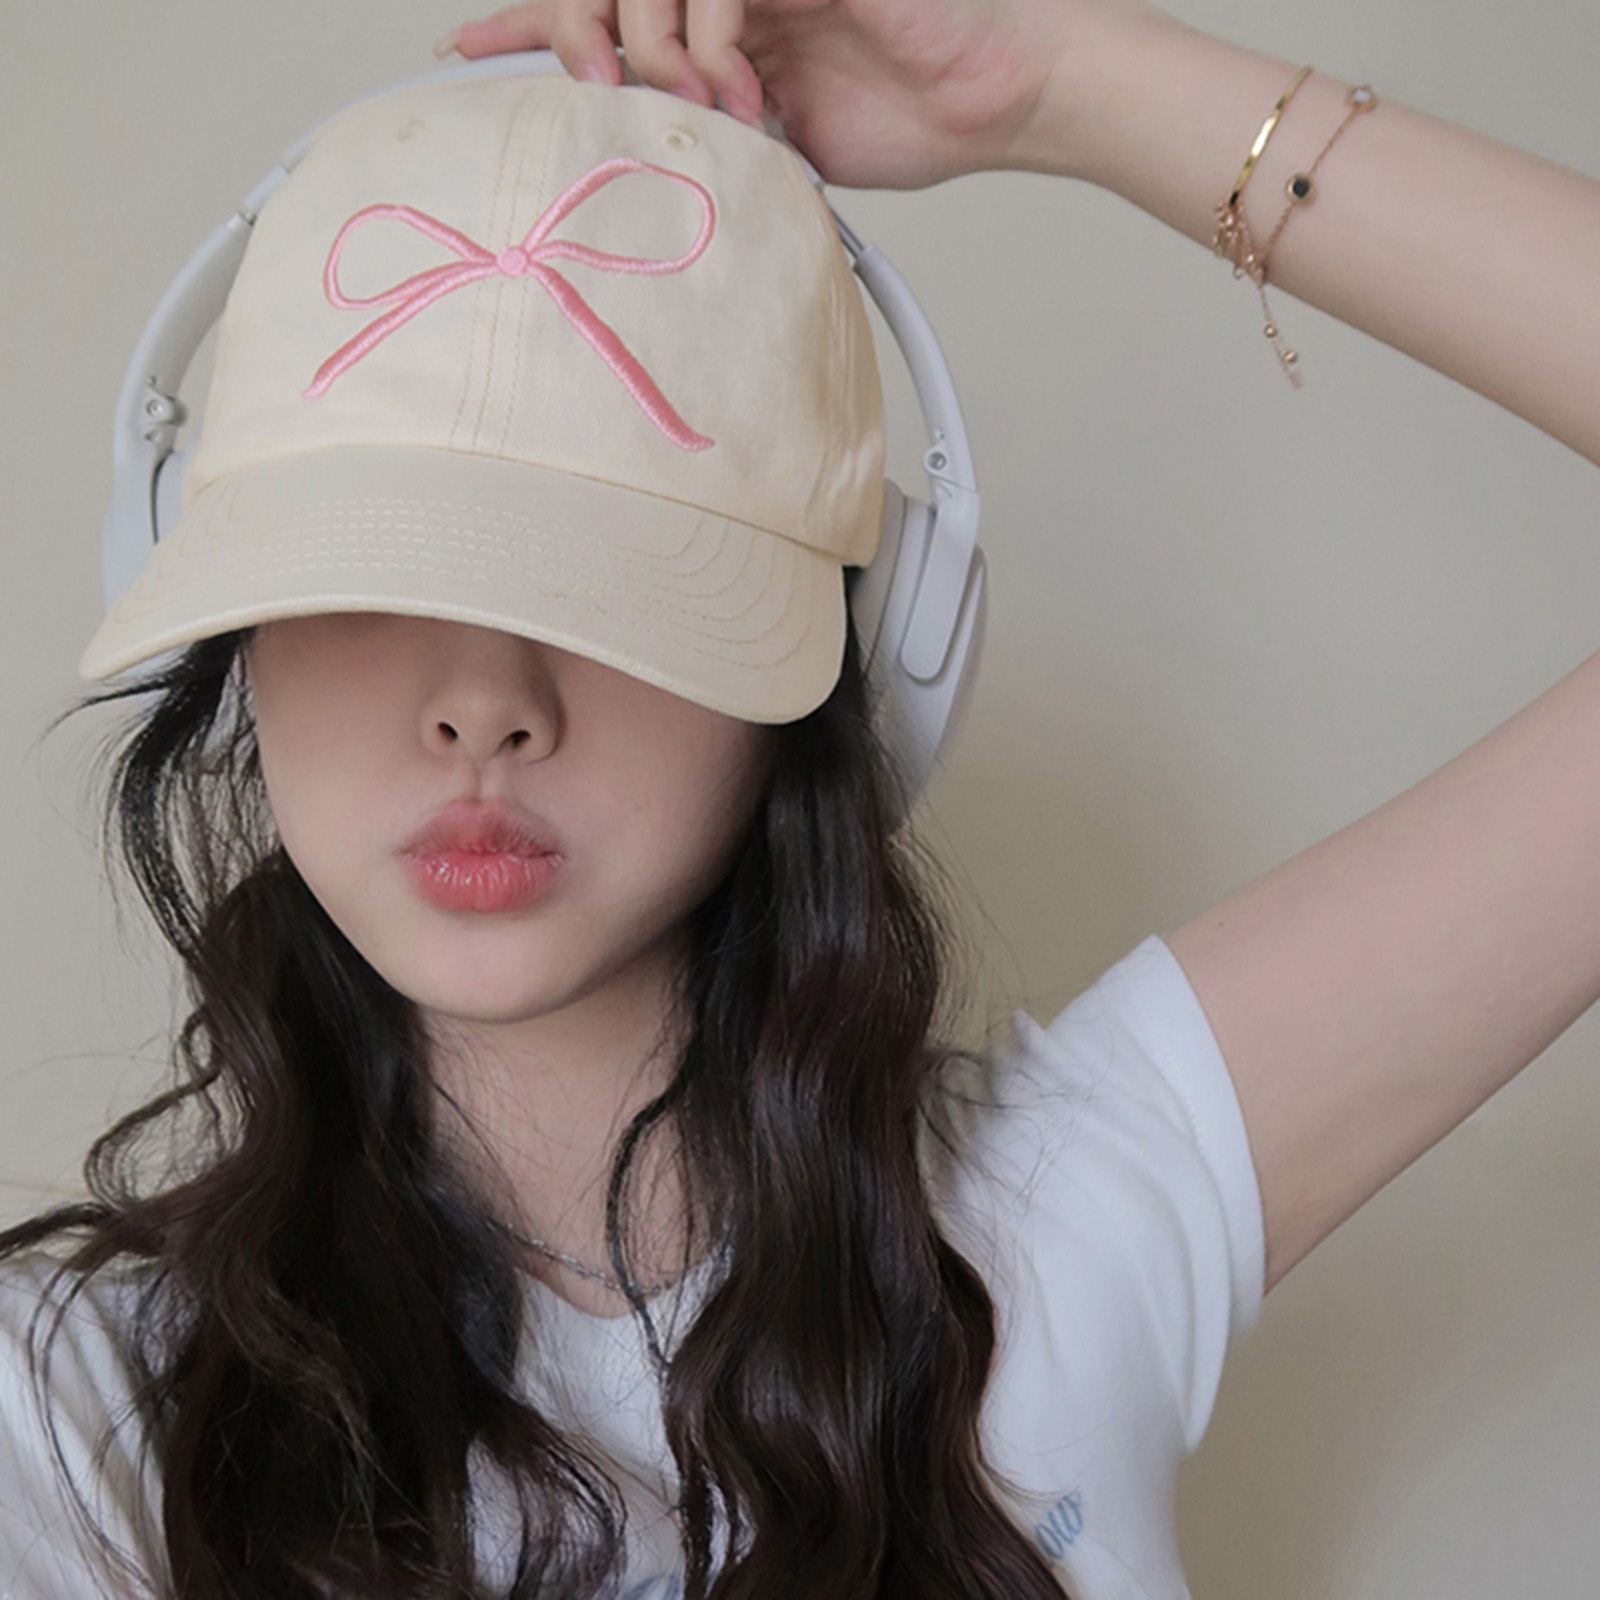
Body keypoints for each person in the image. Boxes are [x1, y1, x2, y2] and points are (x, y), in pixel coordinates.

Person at [1, 1, 1596, 1598]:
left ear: (864, 646)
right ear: (232, 638)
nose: (483, 701)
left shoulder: (1069, 1220)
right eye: (368, 571)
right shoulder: (70, 1415)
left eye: (617, 579)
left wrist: (1050, 79)